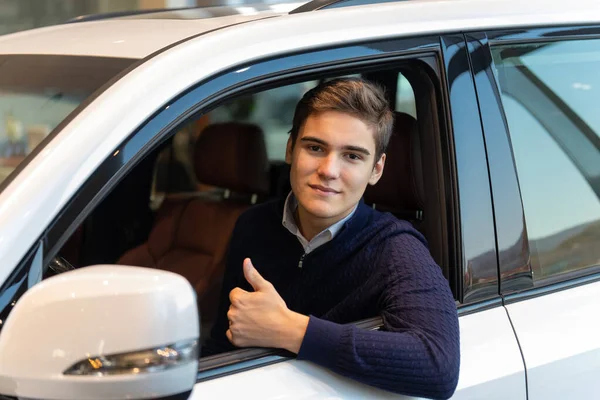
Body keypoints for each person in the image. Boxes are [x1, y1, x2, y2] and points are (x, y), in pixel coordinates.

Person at [204, 78, 460, 399]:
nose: (328, 170)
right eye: (315, 148)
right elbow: (225, 339)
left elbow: (438, 365)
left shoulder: (395, 248)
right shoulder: (253, 224)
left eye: (352, 156)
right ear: (290, 149)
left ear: (376, 169)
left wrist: (291, 330)